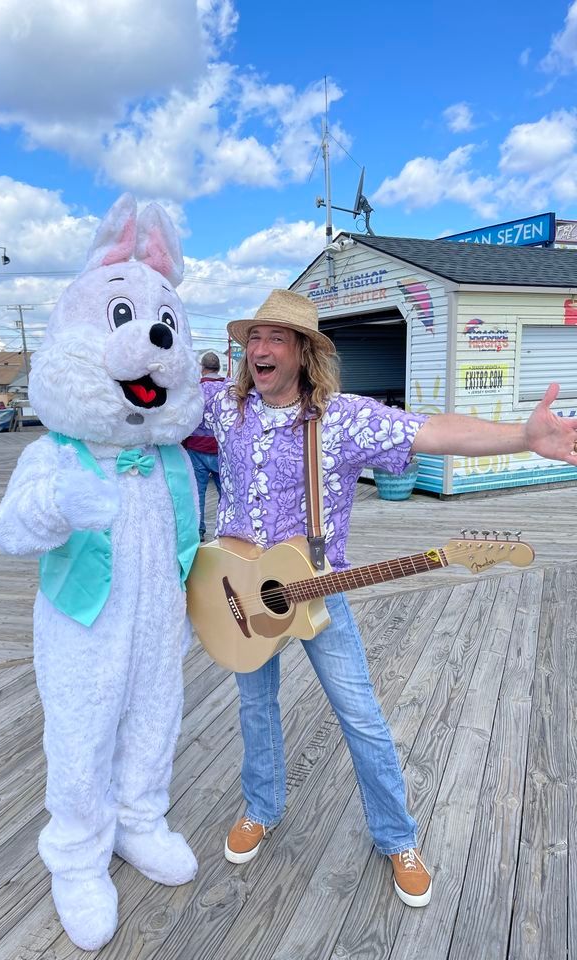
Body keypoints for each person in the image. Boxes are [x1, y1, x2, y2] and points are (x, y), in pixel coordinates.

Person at [201, 288, 577, 909]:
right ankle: (260, 807)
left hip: (319, 595)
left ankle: (396, 837)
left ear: (301, 352)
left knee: (363, 719)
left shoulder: (343, 418)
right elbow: (152, 406)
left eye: (276, 338)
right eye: (253, 338)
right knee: (255, 708)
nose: (259, 349)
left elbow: (433, 431)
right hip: (238, 592)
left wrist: (521, 434)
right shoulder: (225, 410)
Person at [183, 351, 224, 540]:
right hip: (222, 449)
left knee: (198, 493)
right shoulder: (230, 388)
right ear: (218, 367)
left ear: (202, 368)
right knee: (226, 494)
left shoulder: (194, 389)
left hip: (195, 448)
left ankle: (198, 532)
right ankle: (225, 531)